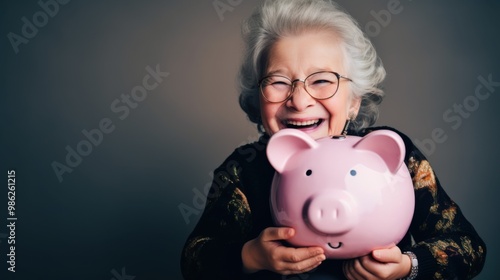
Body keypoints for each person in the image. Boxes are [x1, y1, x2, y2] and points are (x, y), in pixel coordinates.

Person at [180, 0, 487, 279]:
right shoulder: (243, 170)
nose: (299, 101)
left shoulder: (392, 156)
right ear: (257, 98)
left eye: (323, 80)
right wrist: (251, 256)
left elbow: (468, 247)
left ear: (354, 100)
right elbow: (195, 260)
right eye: (278, 82)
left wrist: (408, 266)